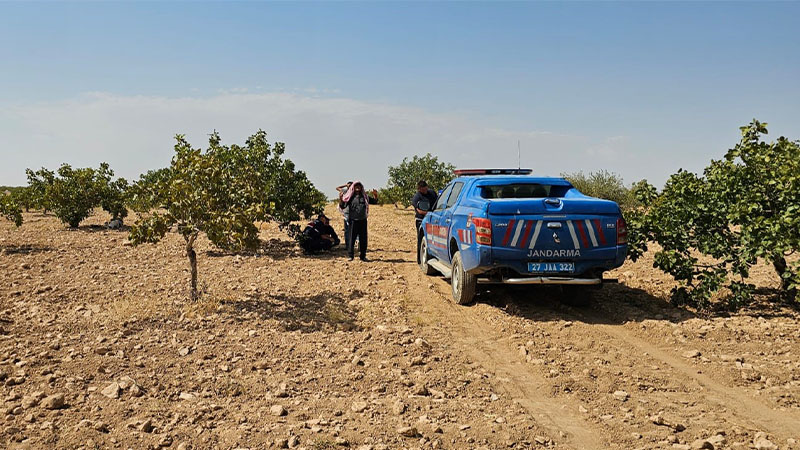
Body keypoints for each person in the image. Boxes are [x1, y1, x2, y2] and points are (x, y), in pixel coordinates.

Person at [339, 181, 378, 261]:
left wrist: (375, 195)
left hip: (363, 221)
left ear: (361, 187)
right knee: (351, 239)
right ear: (353, 187)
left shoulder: (365, 196)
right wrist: (341, 199)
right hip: (353, 221)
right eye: (356, 186)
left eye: (359, 186)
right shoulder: (350, 197)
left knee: (363, 239)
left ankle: (363, 256)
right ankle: (351, 256)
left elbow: (374, 201)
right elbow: (343, 206)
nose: (358, 187)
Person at [336, 181, 353, 249]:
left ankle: (350, 244)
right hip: (346, 212)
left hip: (352, 212)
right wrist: (345, 185)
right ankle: (348, 245)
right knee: (347, 229)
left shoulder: (354, 192)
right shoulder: (344, 191)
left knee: (352, 229)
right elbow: (337, 188)